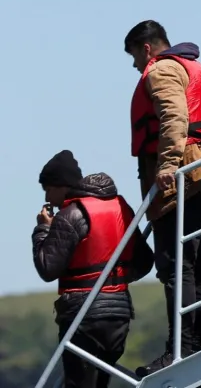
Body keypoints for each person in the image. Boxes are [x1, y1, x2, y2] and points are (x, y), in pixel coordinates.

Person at [124, 20, 201, 375]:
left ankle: (180, 349)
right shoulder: (194, 65)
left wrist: (167, 165)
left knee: (175, 266)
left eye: (136, 56)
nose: (137, 66)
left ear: (147, 49)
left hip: (184, 176)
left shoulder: (162, 70)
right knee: (196, 263)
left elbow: (174, 117)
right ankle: (193, 344)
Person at [33, 151, 154, 388]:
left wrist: (43, 230)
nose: (48, 197)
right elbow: (144, 261)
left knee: (78, 383)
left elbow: (47, 268)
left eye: (48, 188)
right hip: (119, 314)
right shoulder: (121, 207)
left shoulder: (69, 215)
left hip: (83, 314)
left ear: (62, 185)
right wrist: (113, 281)